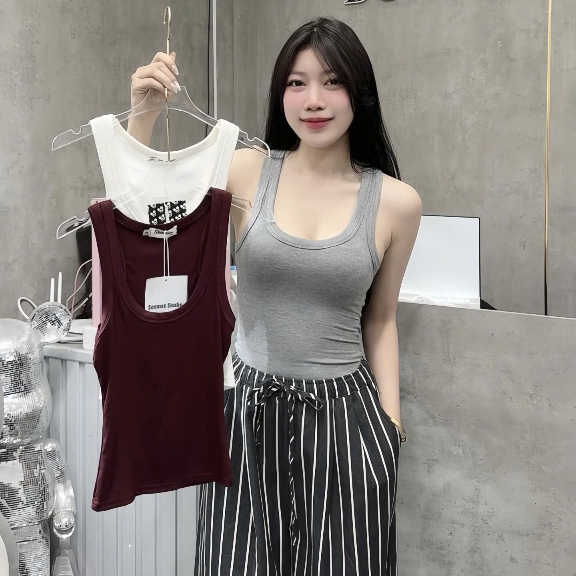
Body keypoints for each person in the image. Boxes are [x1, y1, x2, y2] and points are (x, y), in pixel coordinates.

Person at [128, 16, 421, 576]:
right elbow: (147, 214)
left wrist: (390, 426)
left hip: (346, 421)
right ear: (279, 92)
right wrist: (144, 118)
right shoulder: (244, 170)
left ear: (359, 92)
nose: (314, 100)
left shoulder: (397, 203)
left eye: (332, 82)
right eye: (296, 82)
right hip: (245, 412)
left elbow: (381, 320)